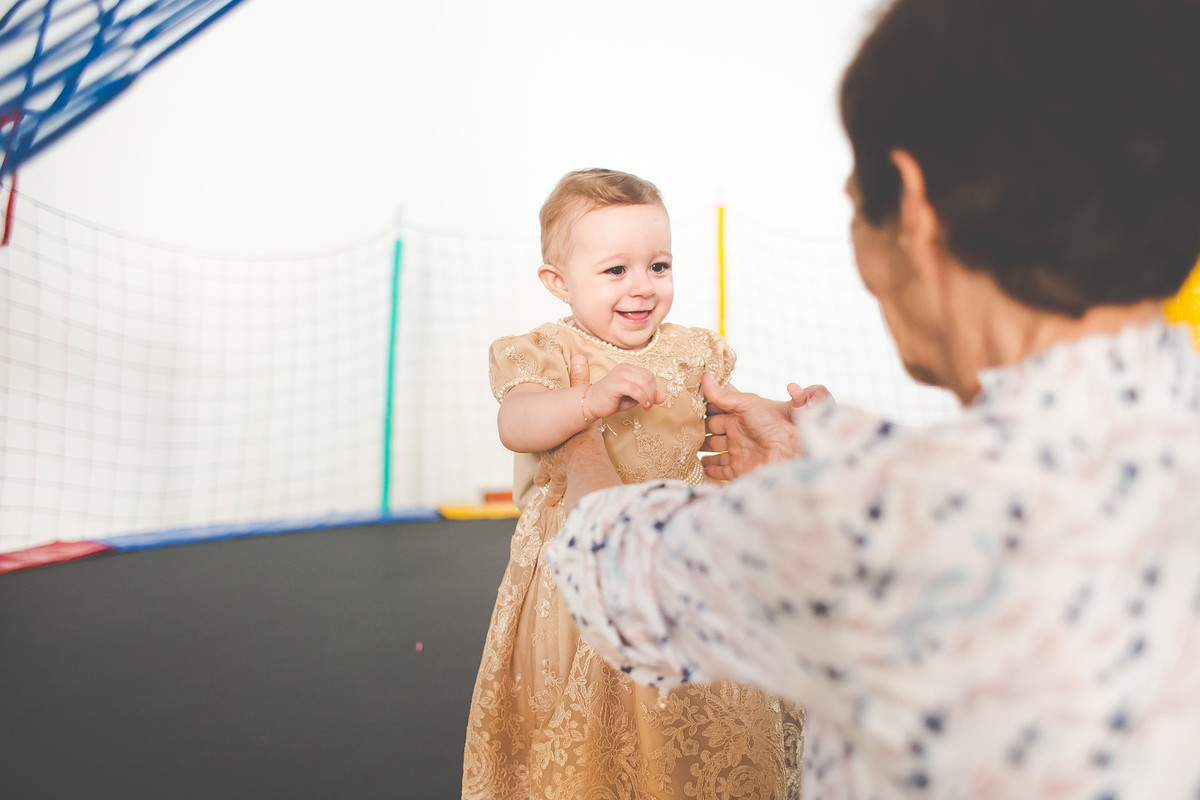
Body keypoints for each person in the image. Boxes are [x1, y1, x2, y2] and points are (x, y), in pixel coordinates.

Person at [543, 0, 1200, 797]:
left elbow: (615, 572)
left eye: (858, 205)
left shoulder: (886, 520)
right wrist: (806, 456)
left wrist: (575, 436)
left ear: (916, 209)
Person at [462, 169, 804, 799]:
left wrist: (785, 416)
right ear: (558, 282)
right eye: (615, 271)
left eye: (659, 265)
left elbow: (726, 411)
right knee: (596, 707)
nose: (642, 288)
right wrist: (587, 400)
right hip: (584, 556)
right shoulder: (549, 350)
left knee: (692, 711)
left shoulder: (691, 350)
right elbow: (518, 421)